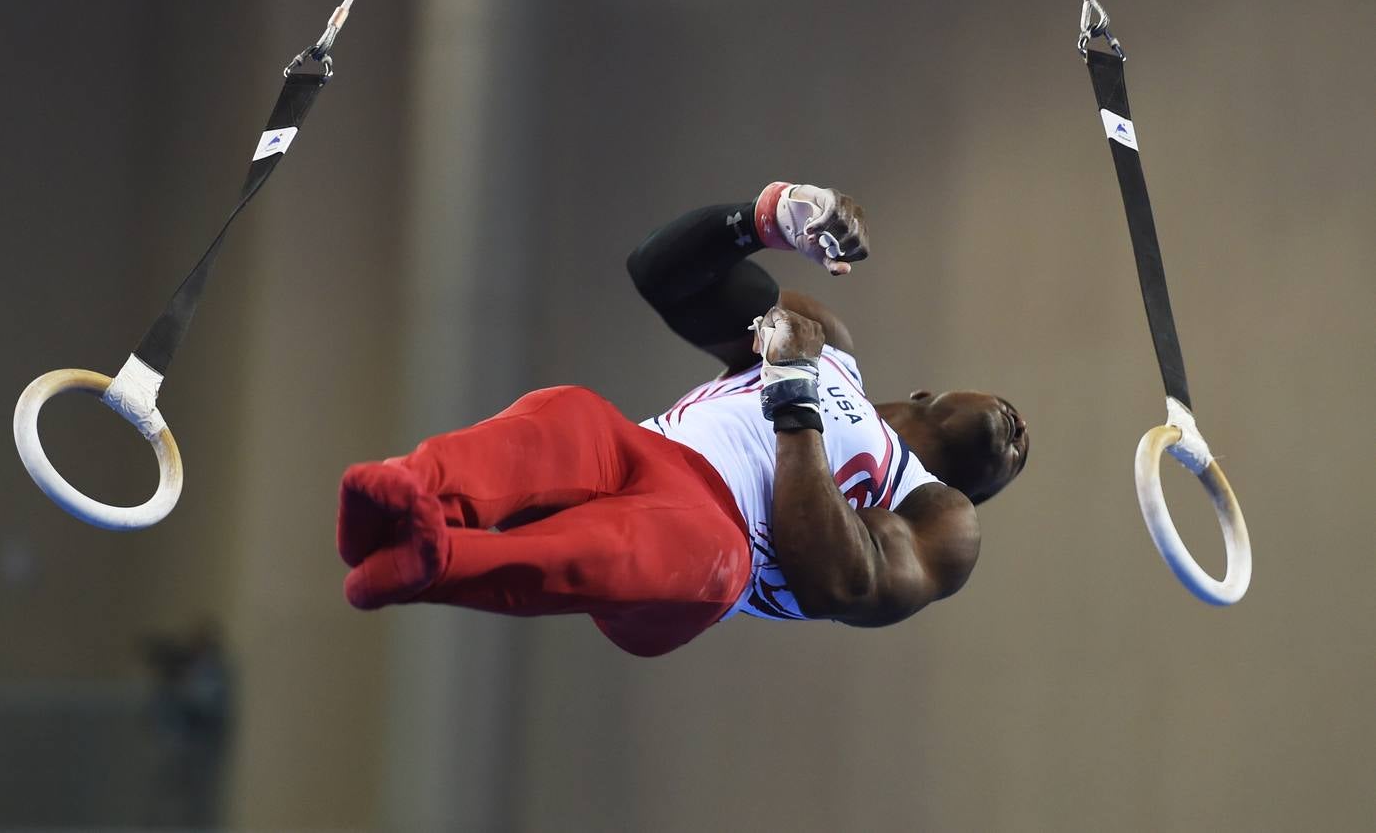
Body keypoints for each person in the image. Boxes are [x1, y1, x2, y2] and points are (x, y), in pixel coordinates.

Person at [335, 182, 1029, 657]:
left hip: (710, 544)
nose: (1022, 435)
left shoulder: (937, 514)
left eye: (1019, 459)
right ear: (926, 391)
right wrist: (773, 216)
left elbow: (839, 582)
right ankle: (407, 489)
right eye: (1015, 414)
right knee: (572, 415)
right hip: (644, 452)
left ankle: (437, 560)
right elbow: (664, 275)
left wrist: (792, 395)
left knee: (696, 552)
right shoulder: (832, 350)